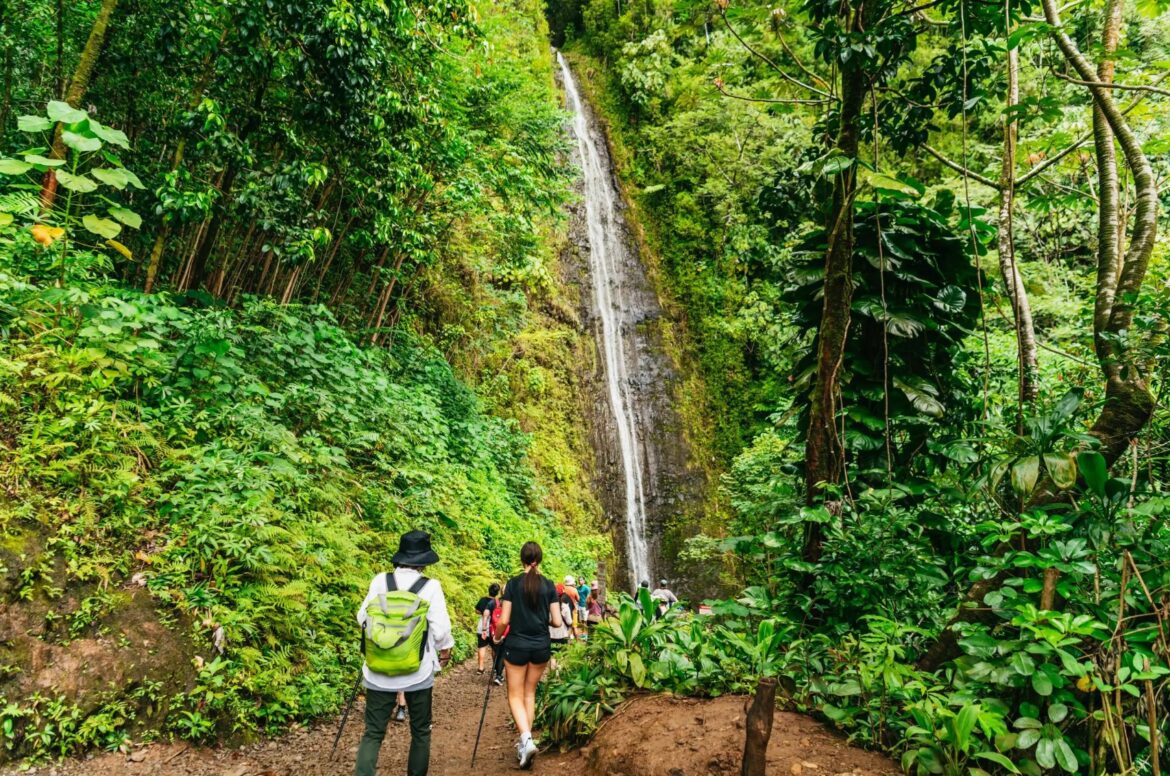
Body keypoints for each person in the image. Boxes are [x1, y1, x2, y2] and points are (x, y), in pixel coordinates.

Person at [355, 530, 453, 776]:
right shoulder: (430, 587)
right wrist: (445, 651)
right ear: (424, 561)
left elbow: (362, 618)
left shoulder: (380, 581)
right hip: (417, 672)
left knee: (373, 733)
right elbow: (441, 631)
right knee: (421, 731)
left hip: (378, 670)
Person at [493, 541, 562, 770]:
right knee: (529, 694)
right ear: (539, 559)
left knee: (515, 694)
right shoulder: (549, 585)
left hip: (517, 646)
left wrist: (496, 638)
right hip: (541, 646)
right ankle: (526, 741)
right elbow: (557, 621)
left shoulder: (512, 584)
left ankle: (526, 740)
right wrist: (544, 618)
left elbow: (503, 620)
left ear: (522, 559)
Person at [475, 583, 502, 674]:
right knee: (495, 648)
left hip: (482, 626)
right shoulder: (497, 602)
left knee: (482, 646)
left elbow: (477, 610)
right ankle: (495, 667)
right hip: (493, 627)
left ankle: (480, 668)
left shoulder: (482, 600)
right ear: (498, 593)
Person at [549, 583, 573, 669]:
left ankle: (552, 675)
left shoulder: (548, 606)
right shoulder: (565, 607)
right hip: (562, 635)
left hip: (550, 635)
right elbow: (569, 622)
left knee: (552, 655)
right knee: (561, 655)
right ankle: (558, 674)